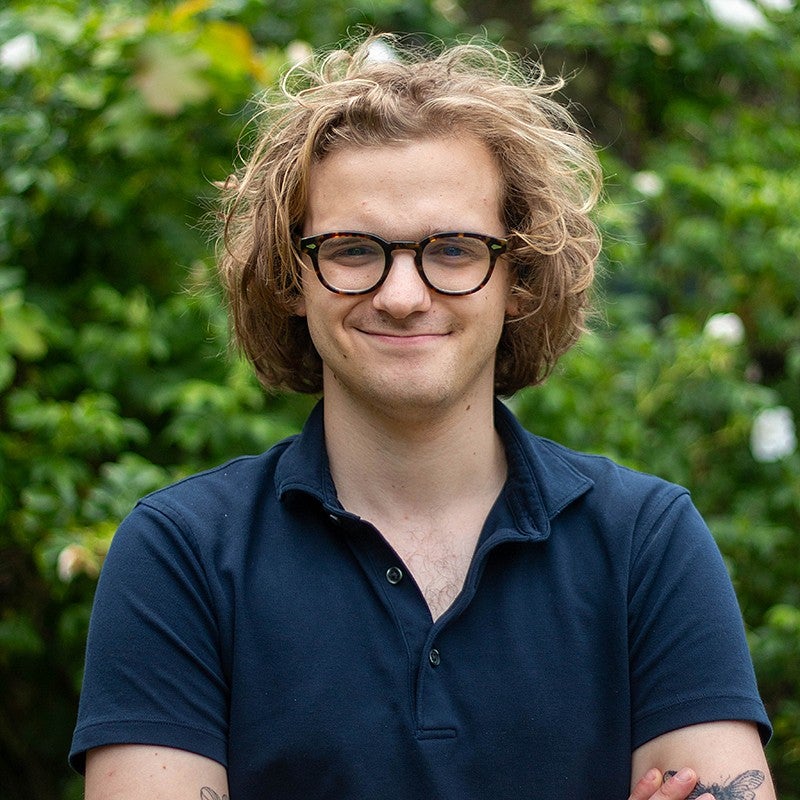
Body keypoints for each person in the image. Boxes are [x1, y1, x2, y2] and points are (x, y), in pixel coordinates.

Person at [70, 34, 776, 800]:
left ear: (520, 276)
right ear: (289, 279)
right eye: (349, 249)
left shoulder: (647, 543)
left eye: (453, 249)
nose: (403, 296)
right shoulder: (181, 555)